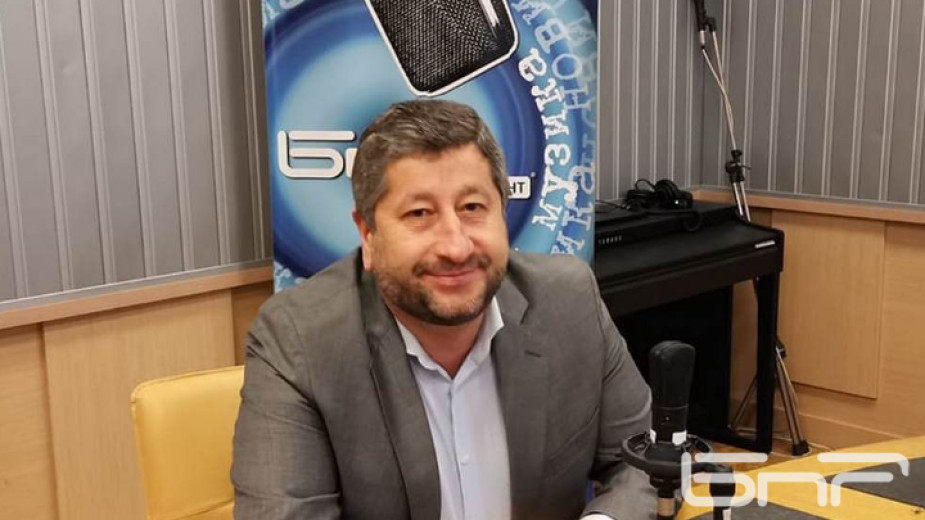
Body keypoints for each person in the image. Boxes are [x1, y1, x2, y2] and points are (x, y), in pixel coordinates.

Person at [232, 99, 653, 520]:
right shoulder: (299, 340)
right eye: (419, 213)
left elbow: (644, 460)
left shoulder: (568, 301)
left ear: (503, 215)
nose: (455, 247)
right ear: (368, 235)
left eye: (472, 208)